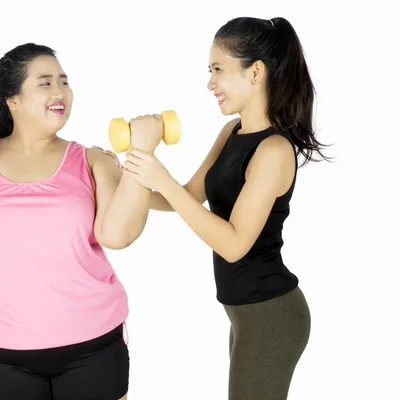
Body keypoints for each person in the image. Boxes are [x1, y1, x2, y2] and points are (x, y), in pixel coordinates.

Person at [99, 17, 330, 400]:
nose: (210, 83)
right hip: (245, 313)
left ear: (255, 72)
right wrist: (123, 178)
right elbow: (188, 196)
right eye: (210, 71)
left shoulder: (274, 150)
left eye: (218, 70)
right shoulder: (232, 133)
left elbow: (234, 244)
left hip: (271, 315)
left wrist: (161, 179)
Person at [0, 43, 152, 400]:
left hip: (92, 346)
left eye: (64, 81)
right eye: (45, 83)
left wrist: (142, 151)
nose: (60, 92)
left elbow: (117, 235)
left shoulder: (92, 161)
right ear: (13, 100)